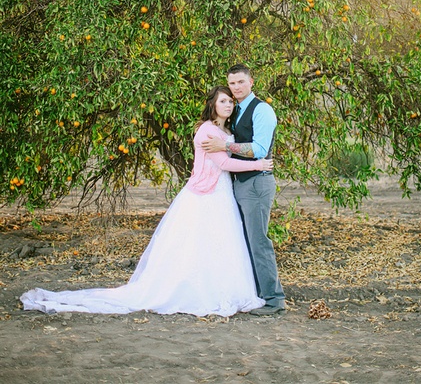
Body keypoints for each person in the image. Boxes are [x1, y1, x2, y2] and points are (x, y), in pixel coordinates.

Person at [20, 86, 273, 317]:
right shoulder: (207, 129)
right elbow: (224, 163)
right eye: (222, 101)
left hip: (221, 192)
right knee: (198, 243)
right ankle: (198, 291)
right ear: (212, 104)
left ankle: (222, 287)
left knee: (221, 242)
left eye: (230, 101)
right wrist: (259, 163)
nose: (228, 105)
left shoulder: (225, 131)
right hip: (206, 194)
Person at [201, 64, 286, 316]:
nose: (236, 87)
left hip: (257, 183)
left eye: (240, 82)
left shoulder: (263, 110)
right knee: (246, 242)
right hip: (240, 185)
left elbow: (259, 149)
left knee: (259, 241)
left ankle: (274, 299)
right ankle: (258, 295)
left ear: (251, 82)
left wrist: (225, 146)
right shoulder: (236, 111)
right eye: (232, 83)